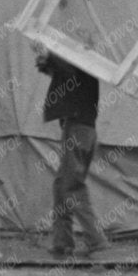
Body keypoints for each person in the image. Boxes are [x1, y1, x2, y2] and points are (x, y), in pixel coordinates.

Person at [35, 42, 106, 260]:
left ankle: (97, 241)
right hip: (79, 130)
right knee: (61, 186)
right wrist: (46, 61)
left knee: (72, 187)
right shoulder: (81, 71)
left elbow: (66, 70)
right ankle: (62, 242)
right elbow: (62, 73)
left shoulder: (83, 68)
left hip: (78, 131)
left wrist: (48, 56)